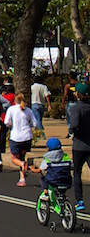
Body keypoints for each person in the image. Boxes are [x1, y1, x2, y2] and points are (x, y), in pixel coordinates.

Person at [66, 81, 90, 210]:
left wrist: (72, 131)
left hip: (79, 145)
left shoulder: (76, 108)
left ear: (78, 95)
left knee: (77, 173)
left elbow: (74, 125)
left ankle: (79, 200)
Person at [4, 92, 35, 186]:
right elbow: (35, 123)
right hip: (27, 137)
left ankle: (22, 165)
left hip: (16, 137)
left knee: (14, 158)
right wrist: (28, 125)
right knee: (22, 157)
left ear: (14, 100)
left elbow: (6, 122)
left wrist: (11, 126)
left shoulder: (11, 109)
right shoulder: (28, 110)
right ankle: (22, 179)